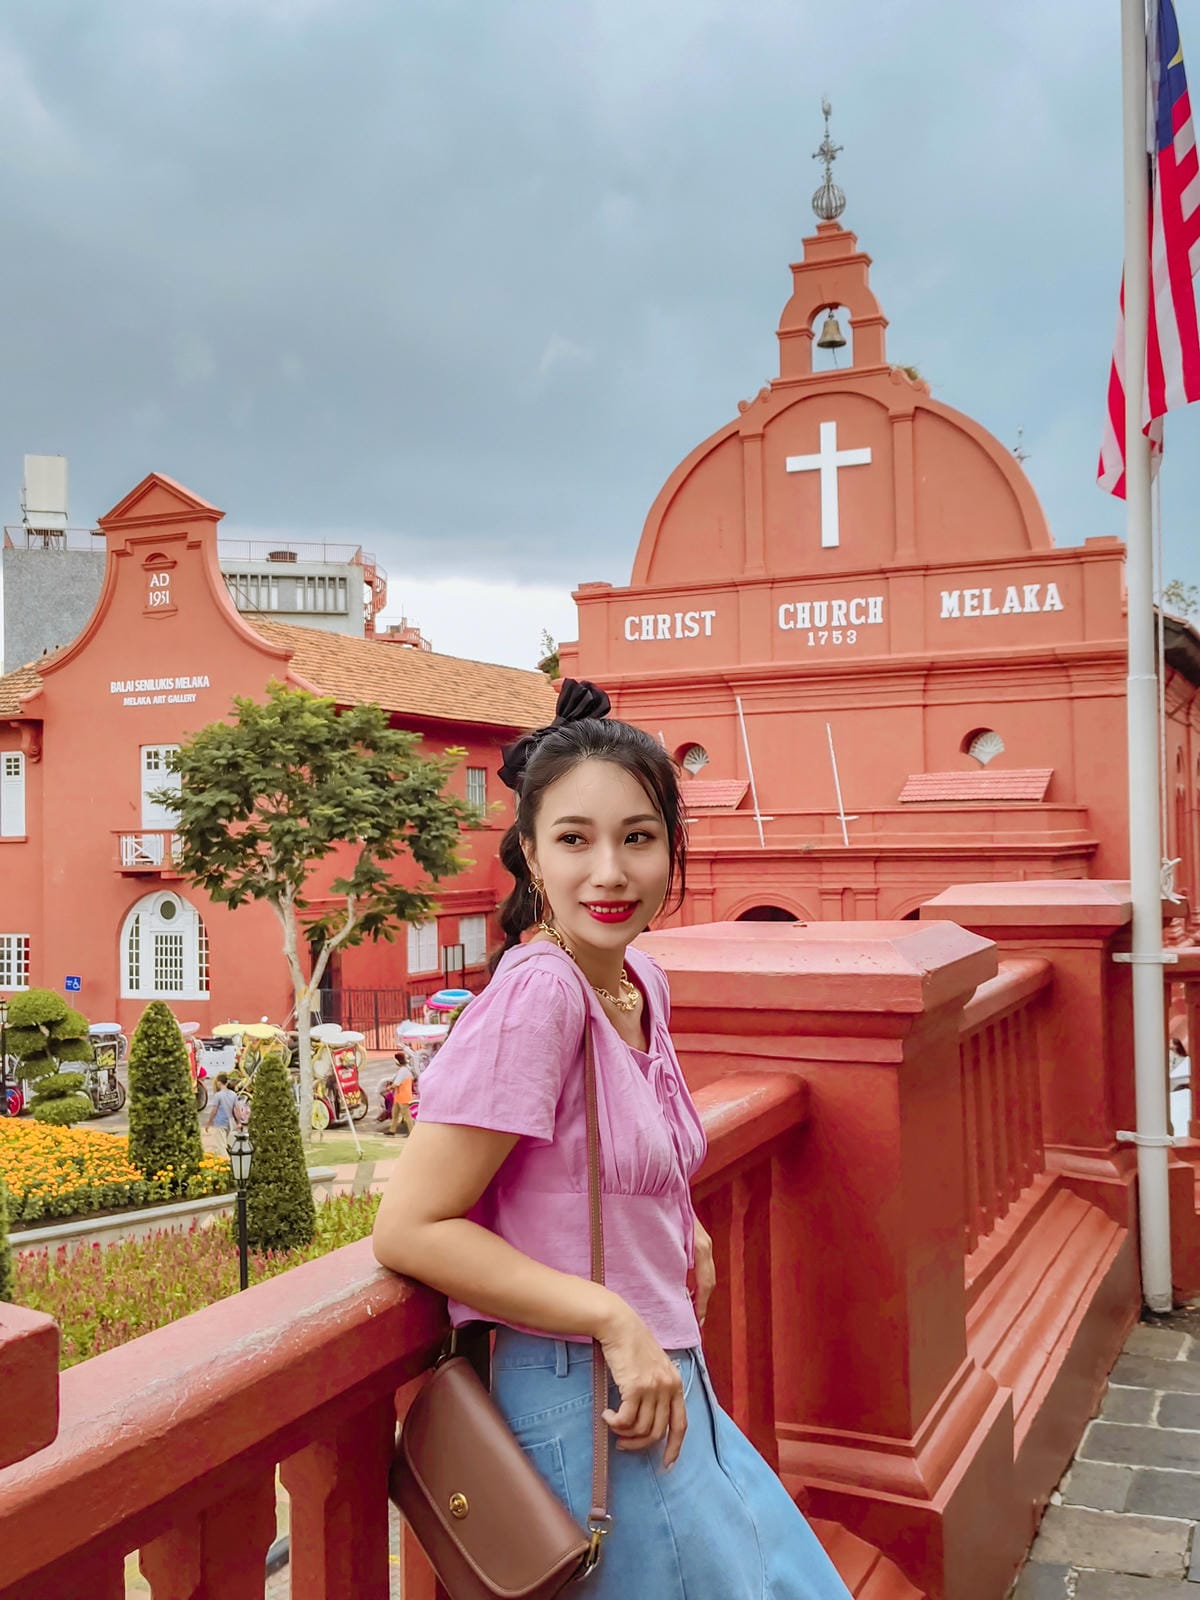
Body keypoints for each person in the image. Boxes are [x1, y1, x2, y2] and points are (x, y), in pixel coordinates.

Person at [373, 680, 851, 1598]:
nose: (609, 872)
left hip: (664, 1382)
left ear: (673, 846)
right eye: (574, 840)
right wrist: (610, 1315)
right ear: (529, 856)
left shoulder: (637, 983)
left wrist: (681, 1226)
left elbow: (604, 1158)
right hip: (581, 1392)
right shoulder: (541, 995)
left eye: (637, 838)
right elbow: (412, 1227)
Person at [205, 1073, 240, 1157]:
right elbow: (236, 1109)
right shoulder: (233, 1094)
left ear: (219, 1083)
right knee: (225, 1142)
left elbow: (214, 1110)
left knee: (221, 1145)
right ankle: (221, 1158)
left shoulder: (218, 1095)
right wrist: (239, 1122)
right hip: (230, 1122)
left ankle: (226, 1162)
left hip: (220, 1122)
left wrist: (209, 1122)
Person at [386, 1054, 416, 1137]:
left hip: (403, 1096)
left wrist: (389, 1088)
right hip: (398, 1096)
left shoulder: (403, 1071)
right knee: (394, 1114)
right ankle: (392, 1130)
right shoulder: (404, 1069)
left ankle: (412, 1132)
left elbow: (396, 1083)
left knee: (406, 1115)